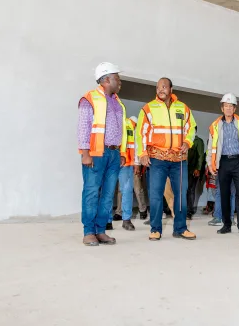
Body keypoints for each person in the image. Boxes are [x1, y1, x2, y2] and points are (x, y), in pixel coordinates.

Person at [136, 78, 197, 241]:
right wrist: (142, 153)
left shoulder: (183, 108)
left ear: (171, 89)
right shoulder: (148, 108)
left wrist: (188, 142)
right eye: (158, 87)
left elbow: (191, 127)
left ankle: (180, 228)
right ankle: (155, 229)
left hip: (179, 159)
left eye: (164, 87)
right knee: (156, 194)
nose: (160, 90)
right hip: (157, 159)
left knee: (181, 195)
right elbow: (140, 133)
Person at [77, 62, 127, 246]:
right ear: (106, 80)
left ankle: (100, 230)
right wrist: (85, 153)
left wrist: (122, 152)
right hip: (96, 153)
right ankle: (89, 232)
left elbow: (122, 130)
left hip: (114, 154)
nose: (120, 82)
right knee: (91, 191)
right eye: (117, 78)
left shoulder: (118, 102)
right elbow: (83, 127)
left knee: (107, 194)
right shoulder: (89, 98)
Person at [207, 93, 239, 236]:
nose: (228, 109)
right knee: (224, 194)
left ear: (235, 109)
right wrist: (210, 164)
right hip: (222, 163)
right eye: (226, 106)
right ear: (222, 108)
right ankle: (226, 225)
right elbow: (210, 148)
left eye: (231, 106)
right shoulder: (215, 126)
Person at [111, 116, 143, 231]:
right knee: (108, 191)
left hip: (126, 163)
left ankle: (126, 220)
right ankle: (107, 221)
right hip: (110, 161)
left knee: (127, 191)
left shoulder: (131, 124)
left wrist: (137, 162)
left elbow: (136, 144)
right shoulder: (105, 121)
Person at [187, 126, 205, 220]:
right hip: (184, 169)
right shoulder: (185, 140)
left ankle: (189, 211)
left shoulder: (198, 141)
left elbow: (200, 156)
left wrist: (198, 169)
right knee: (184, 190)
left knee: (190, 190)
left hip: (193, 170)